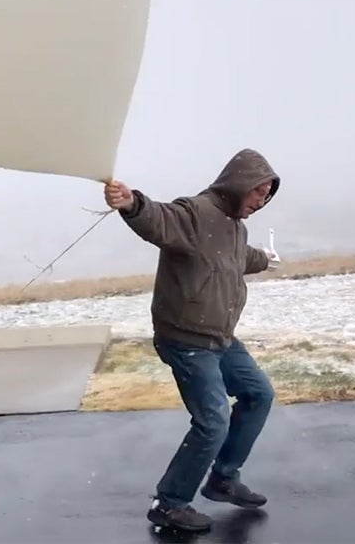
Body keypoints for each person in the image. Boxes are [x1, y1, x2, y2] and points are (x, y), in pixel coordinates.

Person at [103, 148, 281, 533]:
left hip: (220, 337)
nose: (261, 200)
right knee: (213, 421)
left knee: (258, 395)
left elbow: (237, 258)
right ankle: (169, 504)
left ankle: (223, 479)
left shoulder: (236, 226)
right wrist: (132, 203)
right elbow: (159, 220)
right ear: (240, 184)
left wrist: (264, 259)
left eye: (267, 194)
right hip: (185, 339)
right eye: (258, 192)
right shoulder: (196, 213)